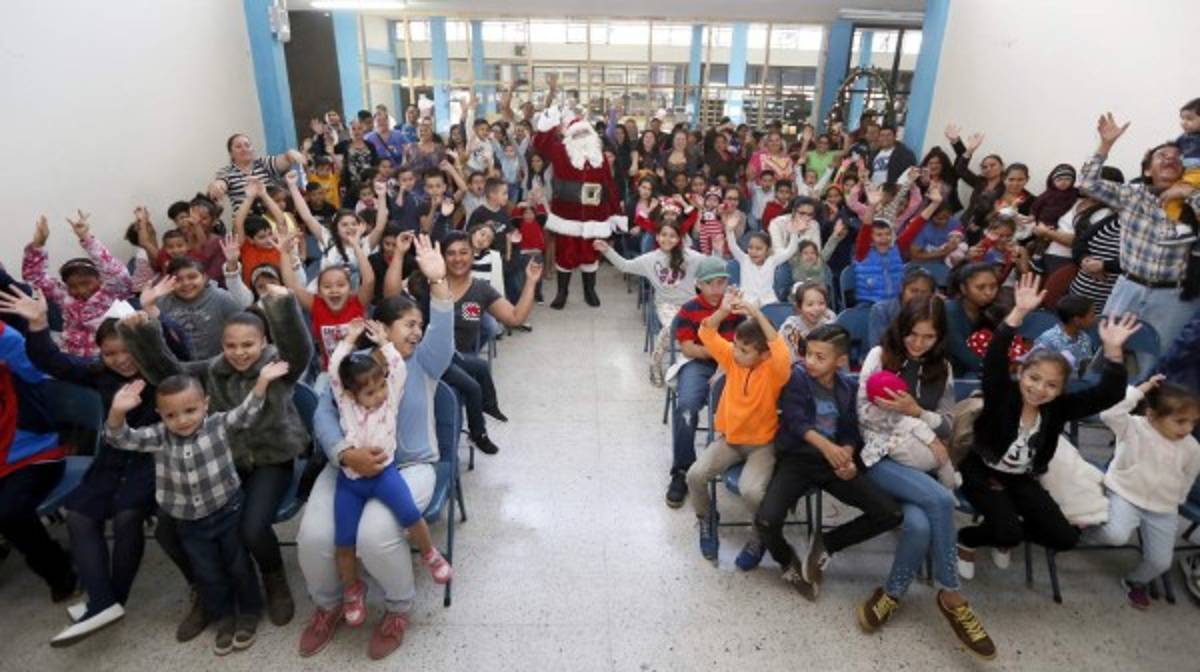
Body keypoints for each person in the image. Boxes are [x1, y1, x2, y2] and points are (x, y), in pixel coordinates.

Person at [0, 286, 193, 646]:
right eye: (110, 354)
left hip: (156, 456)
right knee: (79, 514)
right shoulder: (99, 374)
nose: (121, 360)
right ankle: (103, 600)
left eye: (127, 351)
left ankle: (107, 601)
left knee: (126, 515)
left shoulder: (158, 370)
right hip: (113, 458)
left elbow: (180, 353)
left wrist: (153, 315)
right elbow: (53, 363)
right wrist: (39, 325)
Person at [297, 236, 454, 661]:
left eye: (420, 325)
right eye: (408, 324)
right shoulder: (356, 365)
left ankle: (398, 609)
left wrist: (438, 280)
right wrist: (345, 454)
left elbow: (443, 329)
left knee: (376, 533)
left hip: (410, 467)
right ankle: (329, 605)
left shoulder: (423, 362)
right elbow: (323, 412)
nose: (417, 331)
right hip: (347, 464)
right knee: (313, 535)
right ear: (381, 330)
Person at [119, 288, 314, 629]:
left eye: (248, 344)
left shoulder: (276, 365)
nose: (239, 353)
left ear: (263, 340)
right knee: (168, 529)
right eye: (231, 345)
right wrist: (142, 329)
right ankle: (205, 590)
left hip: (272, 459)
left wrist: (281, 304)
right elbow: (168, 373)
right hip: (225, 462)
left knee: (252, 528)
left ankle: (274, 579)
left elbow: (299, 351)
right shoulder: (212, 370)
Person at [956, 274, 1135, 580]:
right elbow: (997, 356)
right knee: (1008, 529)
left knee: (1064, 537)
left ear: (1062, 389)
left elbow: (1109, 394)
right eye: (1034, 379)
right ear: (1021, 373)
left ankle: (1003, 535)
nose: (1039, 389)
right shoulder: (1002, 392)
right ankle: (969, 540)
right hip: (982, 471)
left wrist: (1113, 352)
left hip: (1022, 477)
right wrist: (1018, 314)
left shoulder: (1059, 407)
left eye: (1051, 385)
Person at [105, 362, 289, 655]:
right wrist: (117, 412)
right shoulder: (158, 436)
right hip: (188, 522)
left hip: (227, 511)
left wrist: (262, 381)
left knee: (239, 565)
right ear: (160, 415)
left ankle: (250, 612)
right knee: (208, 573)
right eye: (171, 415)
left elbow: (246, 413)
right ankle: (224, 617)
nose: (182, 420)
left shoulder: (216, 424)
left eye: (190, 410)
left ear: (205, 405)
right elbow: (120, 438)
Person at [853, 296, 996, 660]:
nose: (918, 343)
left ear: (939, 337)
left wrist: (917, 412)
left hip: (922, 463)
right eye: (912, 334)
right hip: (880, 457)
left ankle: (892, 593)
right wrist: (920, 424)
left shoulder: (942, 368)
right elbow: (866, 415)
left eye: (928, 337)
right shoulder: (878, 356)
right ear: (901, 329)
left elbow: (948, 424)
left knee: (918, 526)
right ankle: (951, 594)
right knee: (944, 499)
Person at [754, 324, 902, 599]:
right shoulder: (797, 377)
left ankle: (828, 544)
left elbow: (849, 430)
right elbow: (796, 421)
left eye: (820, 357)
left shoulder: (848, 386)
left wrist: (846, 454)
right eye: (809, 354)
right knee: (766, 521)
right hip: (797, 461)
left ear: (840, 360)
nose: (810, 361)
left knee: (890, 514)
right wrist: (830, 449)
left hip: (833, 465)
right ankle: (788, 561)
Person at [327, 319, 451, 627]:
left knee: (411, 516)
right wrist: (351, 339)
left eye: (381, 385)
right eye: (369, 392)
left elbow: (397, 366)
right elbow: (334, 370)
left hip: (385, 476)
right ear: (352, 395)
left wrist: (384, 342)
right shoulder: (345, 403)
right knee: (343, 541)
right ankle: (352, 588)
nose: (379, 393)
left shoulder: (390, 400)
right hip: (352, 483)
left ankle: (430, 555)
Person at [684, 291, 791, 566]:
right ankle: (706, 517)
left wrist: (756, 313)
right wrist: (722, 311)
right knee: (695, 476)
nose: (736, 353)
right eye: (736, 346)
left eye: (745, 350)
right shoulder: (732, 359)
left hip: (761, 445)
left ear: (762, 354)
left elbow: (780, 349)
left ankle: (760, 535)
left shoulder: (774, 370)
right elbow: (707, 334)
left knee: (751, 492)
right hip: (730, 441)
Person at [1080, 112, 1200, 352]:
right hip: (1128, 288)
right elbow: (1088, 183)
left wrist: (1189, 194)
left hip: (1175, 296)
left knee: (1155, 362)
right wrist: (1106, 144)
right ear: (1147, 171)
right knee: (1105, 353)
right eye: (1161, 156)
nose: (1170, 159)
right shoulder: (1131, 195)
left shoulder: (1194, 201)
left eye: (1178, 158)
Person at [1082, 375, 1200, 609]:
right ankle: (1084, 531)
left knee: (1160, 561)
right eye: (1180, 421)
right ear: (1152, 415)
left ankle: (1135, 581)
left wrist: (1177, 500)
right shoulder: (1133, 427)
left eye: (1193, 422)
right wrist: (1141, 390)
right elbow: (1109, 414)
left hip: (1163, 508)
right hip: (1125, 494)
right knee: (1114, 535)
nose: (1188, 428)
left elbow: (1188, 477)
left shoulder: (1192, 447)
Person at [532, 74, 626, 309]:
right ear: (570, 138)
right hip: (567, 215)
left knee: (590, 255)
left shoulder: (600, 159)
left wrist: (615, 213)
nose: (582, 138)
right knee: (566, 255)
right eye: (577, 134)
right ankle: (562, 293)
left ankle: (589, 291)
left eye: (586, 134)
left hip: (595, 216)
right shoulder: (560, 152)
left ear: (592, 137)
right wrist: (549, 121)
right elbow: (540, 144)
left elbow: (610, 186)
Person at [0, 319, 77, 606]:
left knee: (10, 513)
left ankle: (59, 573)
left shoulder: (6, 339)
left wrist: (36, 327)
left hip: (33, 451)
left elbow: (40, 373)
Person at [665, 257, 743, 507]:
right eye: (710, 284)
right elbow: (689, 349)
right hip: (700, 365)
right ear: (699, 285)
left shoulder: (736, 307)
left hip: (734, 365)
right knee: (686, 407)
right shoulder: (689, 309)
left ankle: (739, 459)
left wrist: (724, 361)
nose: (716, 290)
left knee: (744, 405)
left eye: (721, 283)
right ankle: (682, 470)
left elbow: (745, 347)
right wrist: (721, 351)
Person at [594, 222, 706, 386]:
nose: (667, 239)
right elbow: (625, 266)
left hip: (690, 305)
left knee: (707, 329)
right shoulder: (650, 259)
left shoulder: (690, 256)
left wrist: (718, 247)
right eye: (663, 235)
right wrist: (607, 251)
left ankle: (694, 367)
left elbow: (712, 264)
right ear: (657, 236)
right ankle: (656, 363)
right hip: (667, 305)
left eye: (672, 236)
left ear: (679, 238)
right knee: (671, 328)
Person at [22, 212, 132, 358]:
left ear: (99, 278)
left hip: (106, 359)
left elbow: (117, 273)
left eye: (86, 283)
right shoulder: (65, 297)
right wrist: (38, 245)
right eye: (72, 286)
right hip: (70, 356)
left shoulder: (111, 293)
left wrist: (86, 238)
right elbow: (34, 278)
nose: (81, 290)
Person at [140, 257, 243, 360]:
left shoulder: (222, 298)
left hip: (216, 364)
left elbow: (242, 328)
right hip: (178, 364)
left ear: (205, 277)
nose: (186, 283)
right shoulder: (161, 302)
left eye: (192, 277)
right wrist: (147, 305)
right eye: (178, 279)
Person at [209, 133, 304, 212]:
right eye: (238, 147)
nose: (244, 149)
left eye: (247, 145)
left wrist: (291, 154)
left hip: (272, 218)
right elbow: (221, 182)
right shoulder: (226, 172)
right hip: (247, 224)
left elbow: (284, 160)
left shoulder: (263, 163)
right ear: (231, 153)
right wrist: (217, 186)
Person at [726, 219, 803, 307]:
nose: (753, 251)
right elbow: (733, 246)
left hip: (768, 302)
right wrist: (729, 231)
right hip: (747, 302)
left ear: (767, 250)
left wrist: (794, 233)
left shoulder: (772, 261)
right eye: (750, 247)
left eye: (758, 249)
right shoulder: (744, 259)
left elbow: (790, 251)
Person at [945, 263, 1001, 376]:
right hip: (952, 375)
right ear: (963, 288)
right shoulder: (949, 312)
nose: (988, 292)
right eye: (981, 287)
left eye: (993, 286)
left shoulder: (994, 312)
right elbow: (964, 354)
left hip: (979, 371)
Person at [866, 268, 936, 351]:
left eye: (924, 292)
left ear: (931, 295)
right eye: (913, 291)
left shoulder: (934, 313)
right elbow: (878, 348)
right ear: (902, 289)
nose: (918, 296)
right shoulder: (881, 310)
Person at [1032, 295, 1097, 374]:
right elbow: (1035, 367)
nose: (1095, 319)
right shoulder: (1048, 340)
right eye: (1092, 316)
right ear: (1077, 320)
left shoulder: (1086, 339)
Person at [779, 281, 836, 361]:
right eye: (810, 304)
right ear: (799, 307)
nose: (816, 309)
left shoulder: (829, 324)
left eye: (821, 303)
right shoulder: (790, 327)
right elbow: (805, 355)